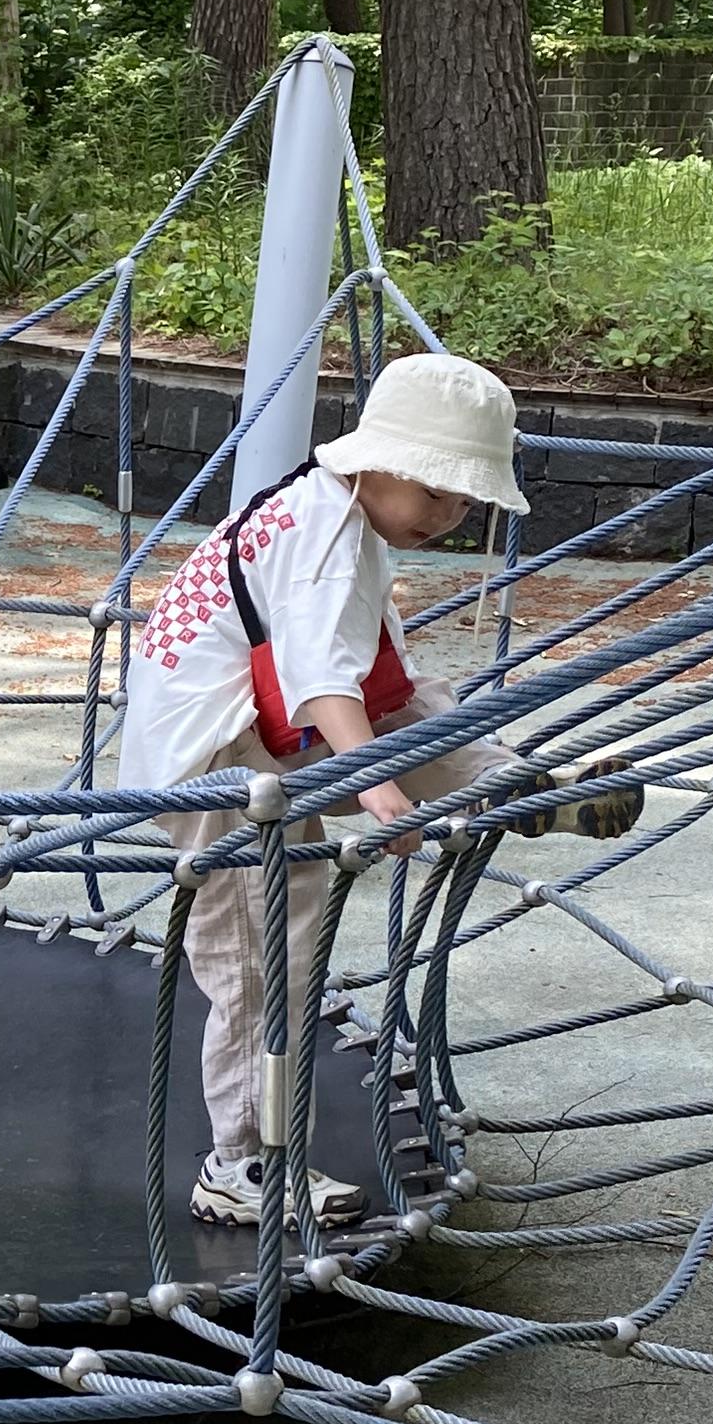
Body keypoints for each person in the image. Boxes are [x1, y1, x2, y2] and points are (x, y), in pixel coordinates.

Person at [118, 350, 570, 1230]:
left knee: (414, 704)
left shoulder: (329, 507)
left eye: (466, 501)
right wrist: (377, 789)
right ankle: (241, 1164)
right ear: (379, 461)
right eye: (435, 492)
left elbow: (370, 681)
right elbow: (324, 680)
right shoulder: (326, 538)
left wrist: (392, 762)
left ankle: (506, 783)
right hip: (218, 768)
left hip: (261, 730)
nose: (450, 515)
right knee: (264, 957)